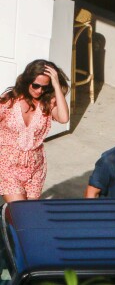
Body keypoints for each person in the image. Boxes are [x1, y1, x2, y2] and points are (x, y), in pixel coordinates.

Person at [0, 59, 70, 202]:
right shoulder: (9, 101)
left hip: (35, 166)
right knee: (20, 211)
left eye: (45, 87)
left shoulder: (47, 103)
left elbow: (63, 118)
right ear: (27, 81)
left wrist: (56, 85)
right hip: (8, 165)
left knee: (30, 213)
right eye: (36, 85)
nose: (39, 91)